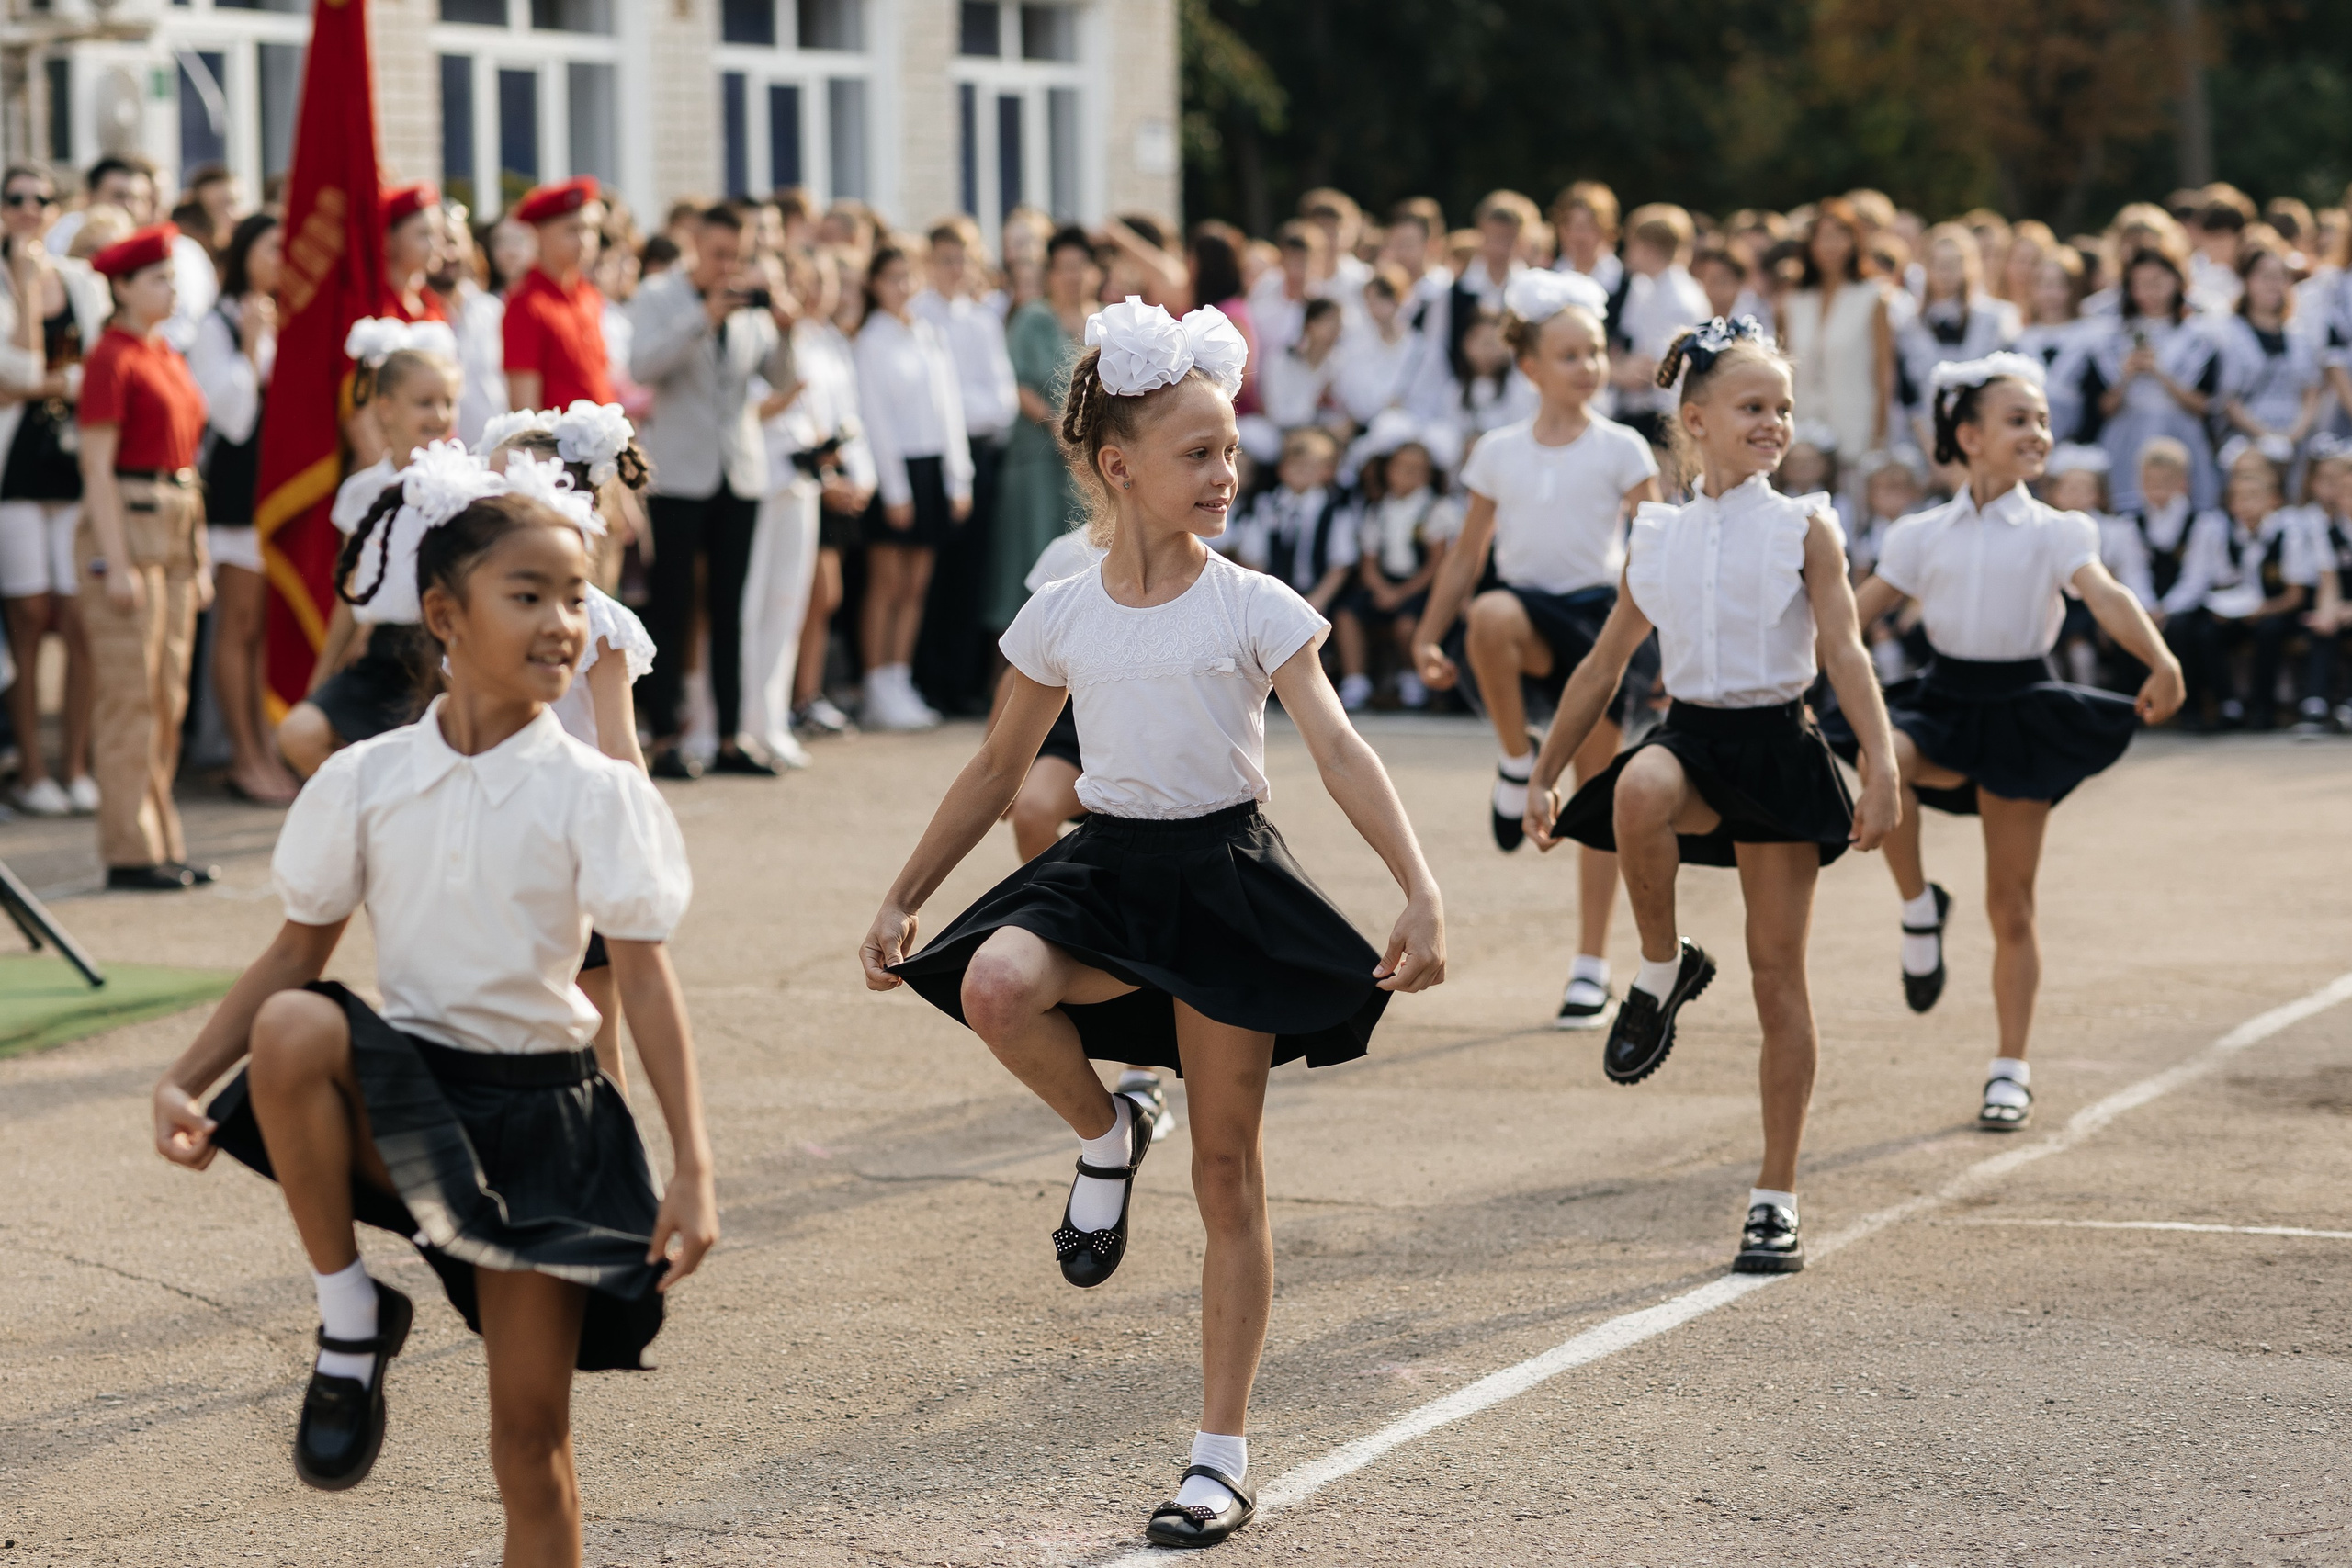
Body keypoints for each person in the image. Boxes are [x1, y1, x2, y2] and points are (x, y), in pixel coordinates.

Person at [862, 296, 1443, 1550]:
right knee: (996, 986)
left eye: (1231, 448)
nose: (1227, 472)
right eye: (1199, 452)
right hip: (1105, 868)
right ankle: (1103, 1122)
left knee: (1226, 1174)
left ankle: (1219, 1455)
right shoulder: (1065, 606)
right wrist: (905, 891)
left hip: (1223, 875)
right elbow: (990, 770)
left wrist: (1417, 881)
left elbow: (1337, 750)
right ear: (1118, 465)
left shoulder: (1256, 602)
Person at [147, 457, 715, 1557]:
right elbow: (296, 949)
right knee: (296, 1023)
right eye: (530, 594)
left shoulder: (598, 794)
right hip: (405, 1100)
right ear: (444, 615)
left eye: (575, 596)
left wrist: (692, 1161)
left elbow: (644, 977)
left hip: (544, 1125)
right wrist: (182, 1070)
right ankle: (350, 1314)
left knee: (528, 1443)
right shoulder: (366, 781)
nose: (563, 623)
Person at [1526, 315, 1899, 1273]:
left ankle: (1775, 1194)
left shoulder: (1803, 524)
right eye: (1751, 407)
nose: (1773, 422)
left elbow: (1845, 650)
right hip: (1691, 736)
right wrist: (1541, 767)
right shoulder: (1656, 534)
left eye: (1781, 406)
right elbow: (1603, 668)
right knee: (1635, 789)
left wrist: (1883, 764)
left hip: (1778, 745)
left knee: (1778, 979)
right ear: (1694, 419)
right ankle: (1660, 966)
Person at [1850, 353, 2184, 1130]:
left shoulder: (2059, 527)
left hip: (2018, 706)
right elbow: (1852, 616)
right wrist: (1786, 668)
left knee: (2012, 904)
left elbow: (2104, 595)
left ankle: (2009, 1067)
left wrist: (2160, 657)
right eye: (2018, 420)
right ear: (1968, 436)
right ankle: (1918, 905)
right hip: (1941, 698)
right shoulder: (1919, 532)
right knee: (1880, 755)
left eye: (2041, 419)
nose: (2038, 432)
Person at [1413, 268, 1660, 1029]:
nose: (1587, 365)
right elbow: (1465, 554)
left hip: (1600, 621)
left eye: (1594, 352)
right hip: (1523, 612)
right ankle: (1516, 755)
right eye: (1569, 354)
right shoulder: (1498, 450)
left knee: (1600, 793)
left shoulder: (1625, 448)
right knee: (1486, 613)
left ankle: (1590, 965)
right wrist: (1427, 631)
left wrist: (1669, 653)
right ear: (1529, 367)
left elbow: (1655, 553)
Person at [481, 412, 659, 1090]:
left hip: (577, 840)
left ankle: (611, 1179)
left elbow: (619, 743)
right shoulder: (474, 619)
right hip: (501, 833)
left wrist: (637, 838)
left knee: (595, 1030)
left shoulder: (601, 622)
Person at [628, 203, 797, 779]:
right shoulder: (658, 295)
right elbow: (642, 366)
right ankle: (667, 736)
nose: (728, 266)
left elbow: (779, 379)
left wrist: (786, 326)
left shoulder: (752, 302)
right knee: (672, 606)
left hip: (739, 471)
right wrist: (703, 316)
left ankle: (730, 737)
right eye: (719, 253)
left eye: (739, 256)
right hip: (678, 473)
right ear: (696, 245)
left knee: (731, 609)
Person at [74, 223, 216, 892]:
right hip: (129, 520)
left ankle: (160, 838)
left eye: (171, 274)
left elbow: (188, 460)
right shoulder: (112, 355)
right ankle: (129, 847)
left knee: (168, 694)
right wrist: (113, 560)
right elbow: (97, 469)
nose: (171, 285)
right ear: (123, 287)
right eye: (156, 277)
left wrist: (202, 555)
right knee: (131, 694)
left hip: (177, 517)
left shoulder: (166, 353)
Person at [277, 322, 462, 776]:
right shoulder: (362, 493)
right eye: (424, 402)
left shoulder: (469, 489)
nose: (439, 415)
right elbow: (351, 591)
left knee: (439, 767)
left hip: (447, 654)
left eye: (448, 402)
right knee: (299, 733)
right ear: (385, 409)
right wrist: (321, 679)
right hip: (383, 655)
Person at [0, 163, 106, 818]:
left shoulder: (81, 282)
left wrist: (41, 382)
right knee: (29, 615)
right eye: (16, 199)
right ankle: (32, 768)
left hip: (72, 469)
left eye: (42, 200)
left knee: (79, 616)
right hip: (13, 470)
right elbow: (20, 370)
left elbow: (91, 375)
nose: (30, 210)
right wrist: (22, 278)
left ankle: (74, 765)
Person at [190, 210, 300, 805]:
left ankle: (263, 741)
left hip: (277, 491)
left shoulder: (290, 316)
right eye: (272, 248)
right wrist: (255, 347)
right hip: (237, 492)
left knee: (261, 628)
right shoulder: (219, 324)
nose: (282, 259)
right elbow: (229, 417)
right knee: (237, 625)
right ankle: (242, 752)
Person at [855, 243, 973, 730]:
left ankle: (899, 678)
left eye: (907, 277)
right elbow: (875, 419)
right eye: (891, 278)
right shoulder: (871, 340)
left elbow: (948, 409)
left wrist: (958, 476)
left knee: (917, 583)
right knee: (886, 582)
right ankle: (875, 682)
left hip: (932, 468)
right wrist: (896, 490)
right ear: (874, 285)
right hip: (893, 470)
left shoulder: (927, 333)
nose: (901, 287)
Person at [911, 220, 1019, 718]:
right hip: (931, 454)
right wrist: (957, 405)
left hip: (979, 454)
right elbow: (931, 400)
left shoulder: (980, 320)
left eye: (962, 260)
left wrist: (958, 405)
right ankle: (926, 677)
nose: (955, 270)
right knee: (932, 571)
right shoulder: (918, 316)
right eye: (945, 259)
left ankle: (959, 680)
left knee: (972, 570)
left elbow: (1000, 401)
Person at [2167, 441, 2324, 731]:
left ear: (2273, 499)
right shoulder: (2218, 529)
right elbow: (2208, 581)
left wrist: (2264, 609)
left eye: (2253, 497)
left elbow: (2295, 594)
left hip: (2276, 611)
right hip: (2235, 610)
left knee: (2269, 631)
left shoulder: (2288, 530)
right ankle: (2227, 704)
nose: (2245, 505)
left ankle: (2263, 708)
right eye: (2238, 498)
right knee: (2205, 631)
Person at [786, 248, 876, 739]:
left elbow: (849, 414)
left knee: (825, 595)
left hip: (838, 476)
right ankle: (791, 699)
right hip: (804, 479)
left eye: (828, 279)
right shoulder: (792, 340)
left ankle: (807, 695)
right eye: (811, 279)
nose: (821, 289)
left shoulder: (832, 342)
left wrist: (861, 477)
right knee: (805, 593)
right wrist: (825, 481)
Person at [989, 225, 1094, 637]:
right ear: (1050, 273)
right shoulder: (1033, 317)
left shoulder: (1104, 320)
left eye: (1082, 267)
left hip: (1087, 464)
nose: (1074, 276)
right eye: (1065, 268)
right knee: (1031, 555)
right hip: (1037, 457)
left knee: (1084, 558)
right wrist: (1058, 427)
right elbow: (1016, 382)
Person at [2079, 248, 2222, 513]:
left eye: (2158, 282)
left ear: (2177, 282)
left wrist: (2161, 373)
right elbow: (2102, 408)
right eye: (2141, 284)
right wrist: (2126, 375)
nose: (2151, 292)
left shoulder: (2199, 337)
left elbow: (2204, 405)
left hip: (2181, 436)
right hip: (2126, 438)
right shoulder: (2109, 338)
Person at [1347, 416, 1460, 708]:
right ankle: (1355, 680)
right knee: (1348, 614)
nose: (1408, 475)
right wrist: (1382, 589)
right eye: (1402, 467)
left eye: (1417, 470)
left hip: (1419, 586)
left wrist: (1402, 593)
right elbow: (1369, 561)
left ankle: (1414, 679)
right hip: (1387, 582)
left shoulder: (1436, 509)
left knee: (1407, 625)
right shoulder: (1378, 510)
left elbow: (1436, 564)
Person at [1779, 197, 1895, 470]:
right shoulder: (1794, 301)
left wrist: (1879, 434)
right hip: (1804, 431)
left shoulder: (1872, 296)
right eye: (1823, 237)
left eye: (1839, 236)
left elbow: (1883, 372)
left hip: (1855, 427)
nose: (1830, 246)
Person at [1898, 222, 2021, 454]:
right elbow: (1908, 396)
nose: (1946, 273)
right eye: (1939, 265)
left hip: (1986, 441)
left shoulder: (1996, 319)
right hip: (1924, 443)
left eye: (1955, 264)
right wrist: (1930, 448)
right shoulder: (1909, 324)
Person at [2217, 235, 2325, 479]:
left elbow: (2311, 388)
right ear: (2246, 281)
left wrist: (2295, 432)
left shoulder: (2298, 335)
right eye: (2265, 276)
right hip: (2246, 445)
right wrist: (2264, 435)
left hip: (2295, 443)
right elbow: (2227, 398)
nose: (2274, 285)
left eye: (2280, 277)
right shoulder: (2228, 333)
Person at [503, 177, 614, 414]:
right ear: (540, 235)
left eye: (591, 229)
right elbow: (525, 407)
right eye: (572, 230)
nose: (585, 241)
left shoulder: (588, 294)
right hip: (559, 447)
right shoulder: (527, 303)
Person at [382, 184, 447, 323]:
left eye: (438, 233)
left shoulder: (431, 303)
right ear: (389, 240)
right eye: (423, 234)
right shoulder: (376, 305)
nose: (435, 244)